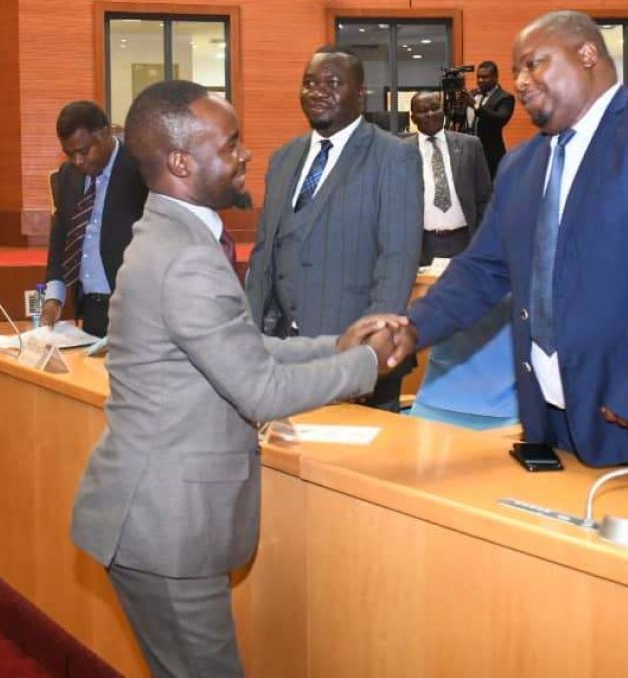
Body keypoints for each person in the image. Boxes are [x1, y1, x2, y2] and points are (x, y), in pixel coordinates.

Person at [70, 80, 399, 678]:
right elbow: (260, 390)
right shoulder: (187, 256)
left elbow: (241, 348)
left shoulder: (172, 235)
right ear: (180, 162)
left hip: (156, 518)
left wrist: (335, 344)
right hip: (167, 529)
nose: (246, 154)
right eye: (231, 143)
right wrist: (369, 364)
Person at [376, 10, 628, 480]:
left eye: (534, 64)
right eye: (516, 70)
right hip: (557, 425)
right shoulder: (520, 165)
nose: (519, 81)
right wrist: (412, 330)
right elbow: (481, 270)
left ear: (587, 54)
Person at [244, 45, 423, 411]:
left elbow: (397, 261)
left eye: (333, 83)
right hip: (281, 359)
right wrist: (249, 338)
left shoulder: (393, 156)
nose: (318, 91)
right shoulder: (283, 158)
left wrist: (369, 355)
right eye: (309, 83)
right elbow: (265, 255)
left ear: (361, 94)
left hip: (351, 355)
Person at [42, 100, 148, 336]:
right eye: (69, 154)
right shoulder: (68, 176)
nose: (77, 161)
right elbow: (61, 237)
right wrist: (54, 297)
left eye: (83, 151)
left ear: (105, 133)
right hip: (92, 308)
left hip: (136, 310)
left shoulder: (141, 170)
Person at [408, 91, 493, 265]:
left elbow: (486, 197)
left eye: (435, 108)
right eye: (423, 111)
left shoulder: (470, 145)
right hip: (421, 246)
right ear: (413, 117)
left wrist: (483, 240)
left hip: (465, 241)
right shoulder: (400, 151)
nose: (430, 114)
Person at [470, 60, 515, 177]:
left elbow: (500, 119)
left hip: (491, 154)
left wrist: (475, 106)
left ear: (495, 77)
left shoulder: (505, 97)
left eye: (484, 77)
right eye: (478, 77)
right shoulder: (473, 94)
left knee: (491, 191)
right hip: (470, 153)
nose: (480, 80)